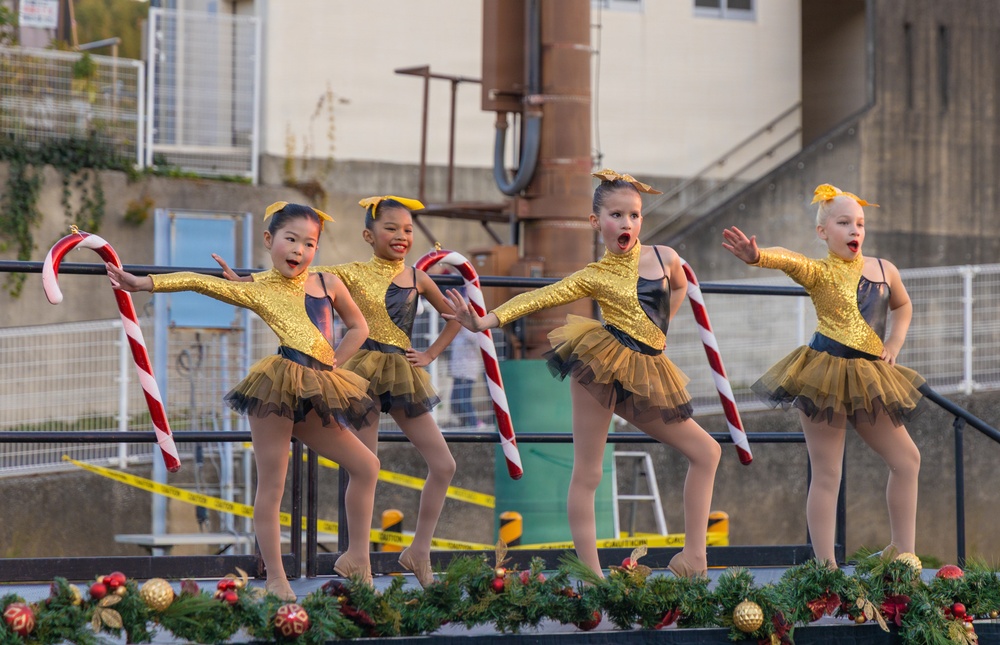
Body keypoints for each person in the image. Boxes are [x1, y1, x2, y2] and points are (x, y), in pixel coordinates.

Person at [443, 169, 722, 579]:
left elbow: (678, 287)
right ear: (597, 222)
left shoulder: (666, 257)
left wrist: (662, 329)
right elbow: (543, 295)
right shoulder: (595, 274)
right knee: (589, 471)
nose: (627, 223)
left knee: (707, 451)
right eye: (616, 215)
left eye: (634, 215)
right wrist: (486, 321)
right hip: (601, 365)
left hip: (647, 369)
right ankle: (593, 575)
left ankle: (693, 557)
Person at [107, 202, 381, 600]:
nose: (299, 250)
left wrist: (335, 361)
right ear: (269, 240)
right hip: (277, 389)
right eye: (291, 239)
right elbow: (199, 282)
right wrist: (144, 283)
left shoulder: (328, 283)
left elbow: (359, 326)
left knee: (367, 465)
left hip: (320, 387)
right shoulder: (262, 287)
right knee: (273, 485)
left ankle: (357, 558)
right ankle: (276, 579)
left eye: (309, 243)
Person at [215, 196, 460, 588]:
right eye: (391, 228)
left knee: (443, 464)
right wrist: (247, 285)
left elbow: (454, 316)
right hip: (357, 373)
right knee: (365, 465)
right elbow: (289, 278)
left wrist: (431, 353)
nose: (401, 236)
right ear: (368, 234)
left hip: (400, 371)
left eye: (408, 230)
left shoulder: (418, 277)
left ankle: (419, 550)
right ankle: (358, 560)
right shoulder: (344, 272)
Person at [722, 183, 925, 567]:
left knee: (907, 459)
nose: (855, 231)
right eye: (844, 222)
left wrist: (894, 345)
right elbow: (787, 258)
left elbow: (903, 305)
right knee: (828, 472)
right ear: (823, 232)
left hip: (870, 376)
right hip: (823, 374)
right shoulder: (819, 271)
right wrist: (757, 256)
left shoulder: (884, 269)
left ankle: (903, 553)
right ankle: (825, 566)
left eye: (860, 223)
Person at [448, 310, 483, 429]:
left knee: (464, 400)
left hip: (467, 372)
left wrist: (465, 326)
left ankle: (474, 423)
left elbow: (477, 344)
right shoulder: (456, 334)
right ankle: (463, 423)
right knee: (455, 401)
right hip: (457, 372)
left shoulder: (471, 333)